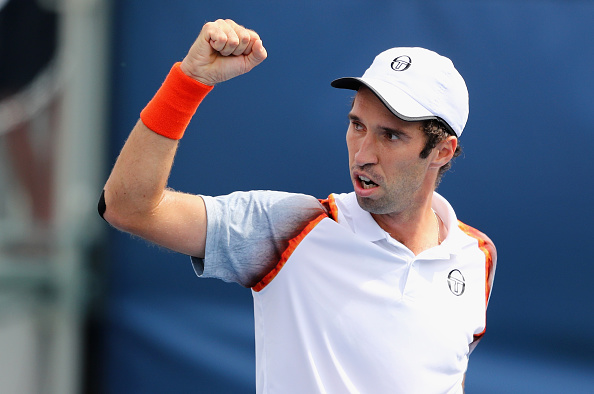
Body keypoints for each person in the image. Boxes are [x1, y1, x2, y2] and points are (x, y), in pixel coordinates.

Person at [100, 19, 496, 394]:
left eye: (390, 136)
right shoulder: (292, 228)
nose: (362, 154)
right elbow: (128, 207)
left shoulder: (477, 257)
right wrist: (190, 81)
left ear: (442, 151)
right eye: (357, 125)